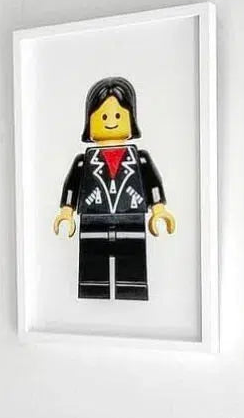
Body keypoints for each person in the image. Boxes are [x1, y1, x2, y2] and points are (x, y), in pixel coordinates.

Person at [53, 76, 174, 301]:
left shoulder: (139, 158)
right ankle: (93, 289)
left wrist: (159, 210)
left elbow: (152, 182)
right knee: (92, 260)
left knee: (132, 258)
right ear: (89, 122)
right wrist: (66, 212)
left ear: (131, 119)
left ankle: (131, 288)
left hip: (132, 217)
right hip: (93, 218)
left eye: (118, 115)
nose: (111, 121)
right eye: (103, 116)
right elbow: (72, 185)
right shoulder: (84, 161)